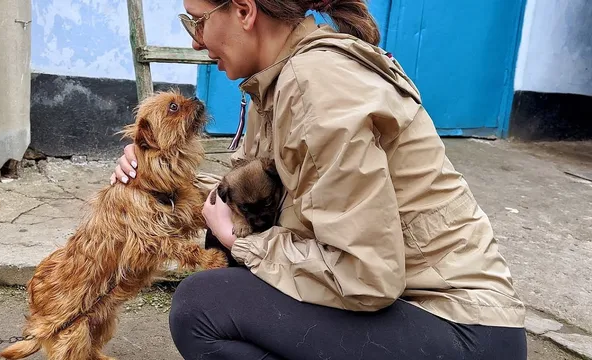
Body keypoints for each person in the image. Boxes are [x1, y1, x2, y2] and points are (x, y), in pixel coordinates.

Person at [110, 0, 528, 358]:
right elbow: (259, 193)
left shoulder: (318, 86)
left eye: (197, 21)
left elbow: (367, 274)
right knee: (226, 267)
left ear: (243, 11)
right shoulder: (276, 83)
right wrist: (155, 174)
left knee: (201, 307)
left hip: (459, 326)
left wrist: (246, 243)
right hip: (416, 309)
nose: (195, 40)